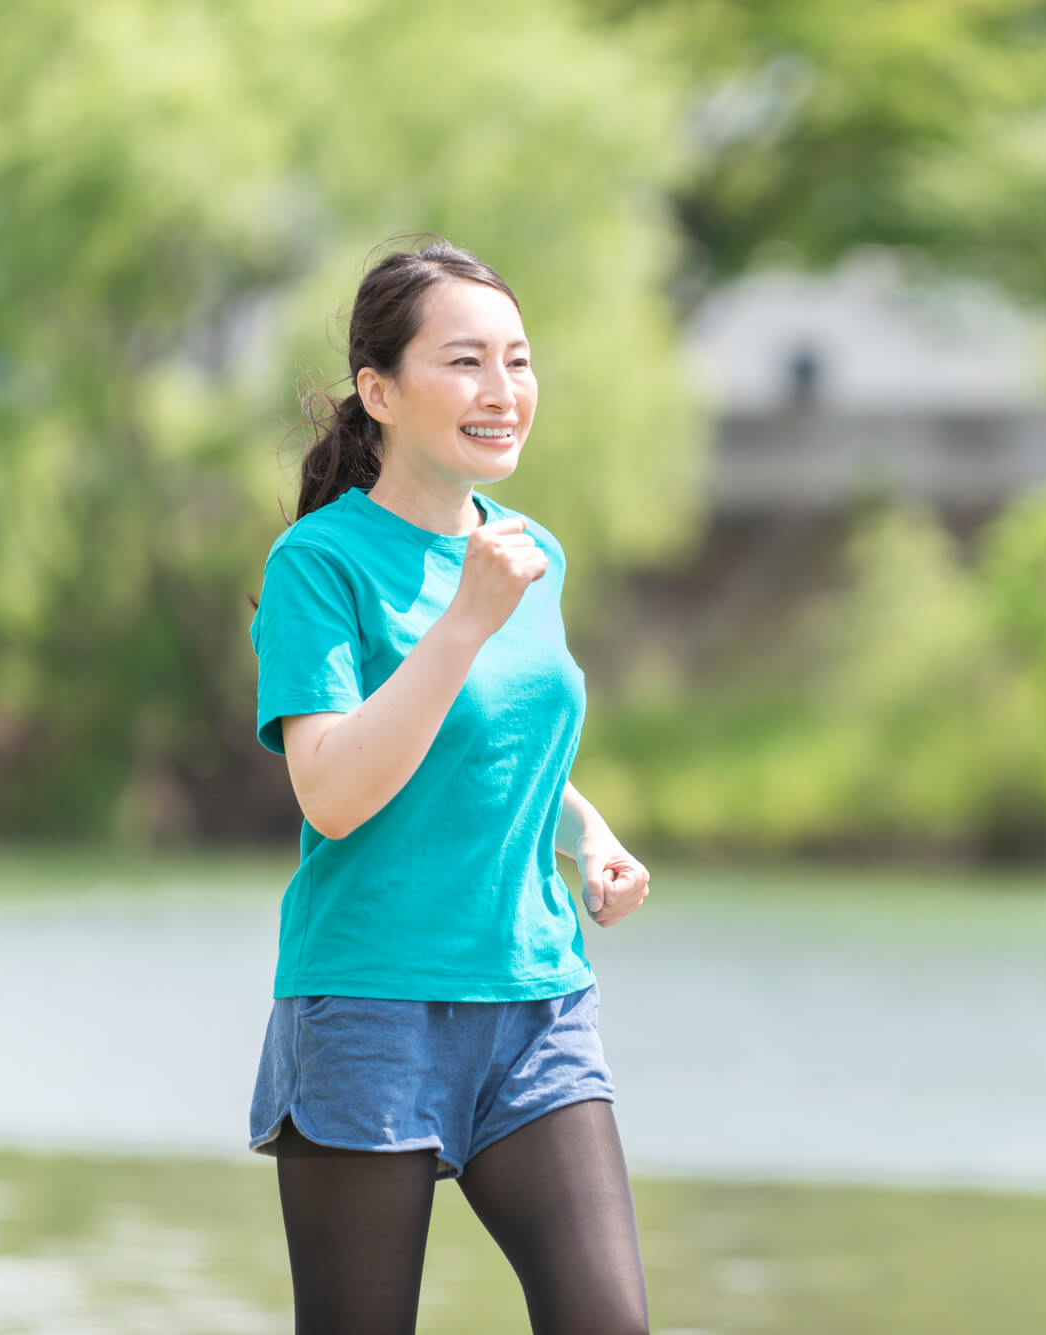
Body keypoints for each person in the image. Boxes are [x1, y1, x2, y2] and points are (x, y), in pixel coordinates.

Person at [243, 236, 653, 1334]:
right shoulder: (319, 565)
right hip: (371, 1003)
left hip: (536, 1002)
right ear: (378, 392)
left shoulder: (529, 554)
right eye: (465, 362)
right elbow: (331, 791)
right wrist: (465, 620)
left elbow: (494, 746)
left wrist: (586, 830)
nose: (502, 390)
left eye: (517, 361)